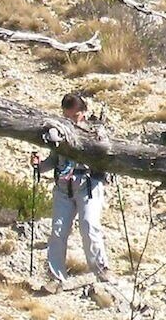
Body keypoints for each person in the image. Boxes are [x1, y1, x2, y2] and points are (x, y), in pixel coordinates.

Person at [30, 93, 111, 285]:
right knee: (58, 230)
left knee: (89, 225)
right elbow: (54, 159)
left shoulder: (95, 133)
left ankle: (102, 270)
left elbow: (106, 155)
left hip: (88, 185)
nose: (71, 121)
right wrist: (39, 166)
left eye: (74, 116)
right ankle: (56, 277)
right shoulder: (58, 131)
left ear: (83, 112)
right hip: (63, 187)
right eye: (67, 116)